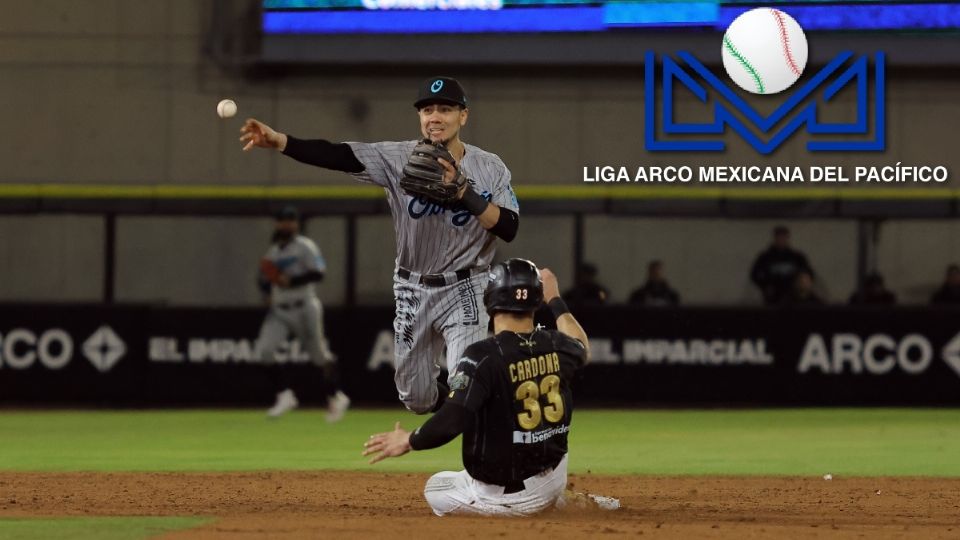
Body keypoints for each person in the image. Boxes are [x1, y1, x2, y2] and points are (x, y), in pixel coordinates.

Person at [240, 77, 520, 414]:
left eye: (445, 109)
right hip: (412, 287)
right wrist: (282, 141)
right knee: (416, 400)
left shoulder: (490, 167)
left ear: (463, 116)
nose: (435, 116)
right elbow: (339, 155)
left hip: (467, 285)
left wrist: (465, 195)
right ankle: (449, 404)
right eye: (427, 109)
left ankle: (477, 455)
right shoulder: (398, 157)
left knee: (469, 378)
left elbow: (508, 227)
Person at [362, 259, 603, 516]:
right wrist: (555, 298)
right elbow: (582, 346)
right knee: (494, 409)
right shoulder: (558, 344)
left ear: (490, 299)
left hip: (509, 500)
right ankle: (554, 498)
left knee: (435, 488)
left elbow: (451, 421)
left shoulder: (483, 356)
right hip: (554, 478)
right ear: (536, 300)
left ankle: (528, 510)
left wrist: (408, 440)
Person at [254, 206, 350, 421]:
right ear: (277, 224)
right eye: (282, 220)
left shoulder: (305, 246)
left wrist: (293, 281)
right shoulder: (273, 251)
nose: (286, 224)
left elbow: (319, 273)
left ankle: (336, 396)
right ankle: (285, 395)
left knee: (319, 355)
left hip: (305, 307)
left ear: (296, 224)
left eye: (290, 220)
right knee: (265, 351)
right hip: (280, 310)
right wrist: (265, 291)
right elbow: (263, 277)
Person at [750, 225, 815, 305]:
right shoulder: (765, 257)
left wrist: (801, 287)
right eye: (779, 237)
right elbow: (754, 274)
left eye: (783, 237)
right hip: (773, 296)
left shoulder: (797, 257)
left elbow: (809, 273)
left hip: (793, 296)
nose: (781, 240)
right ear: (775, 238)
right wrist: (764, 286)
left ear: (787, 238)